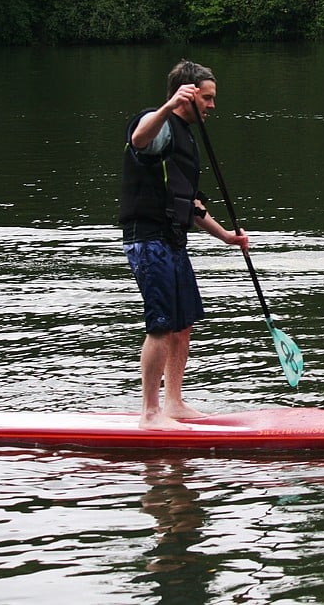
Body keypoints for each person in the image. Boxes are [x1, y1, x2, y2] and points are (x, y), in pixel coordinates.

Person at [119, 60, 250, 430]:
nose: (211, 106)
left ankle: (173, 403)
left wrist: (225, 236)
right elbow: (138, 141)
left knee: (183, 324)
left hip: (173, 240)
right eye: (206, 99)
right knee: (160, 324)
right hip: (147, 239)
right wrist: (165, 107)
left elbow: (189, 203)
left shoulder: (188, 137)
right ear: (186, 95)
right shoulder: (157, 125)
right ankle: (149, 413)